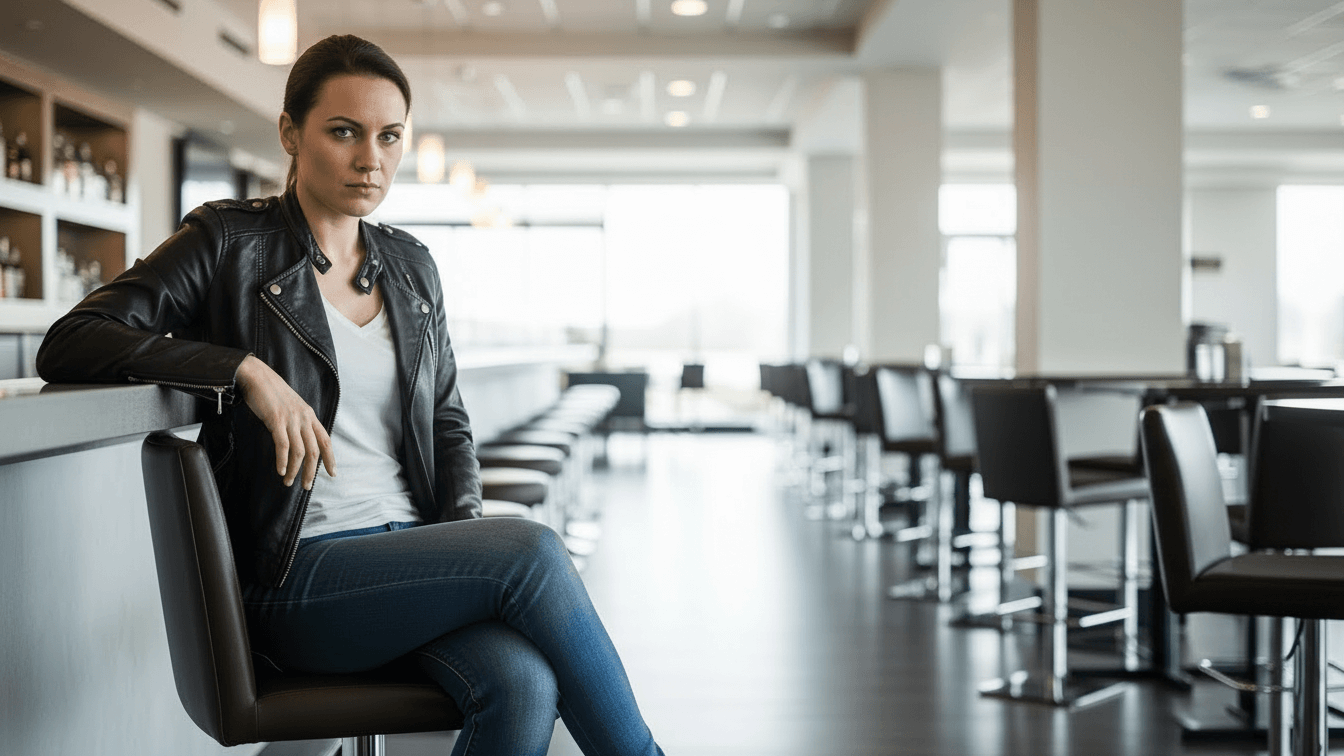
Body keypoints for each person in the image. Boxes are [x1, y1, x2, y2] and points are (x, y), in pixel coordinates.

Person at [36, 34, 664, 756]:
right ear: (290, 134)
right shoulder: (227, 241)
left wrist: (462, 558)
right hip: (297, 576)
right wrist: (243, 368)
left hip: (412, 560)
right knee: (531, 550)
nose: (372, 159)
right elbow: (75, 336)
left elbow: (449, 424)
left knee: (523, 684)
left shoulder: (411, 266)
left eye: (390, 136)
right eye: (344, 132)